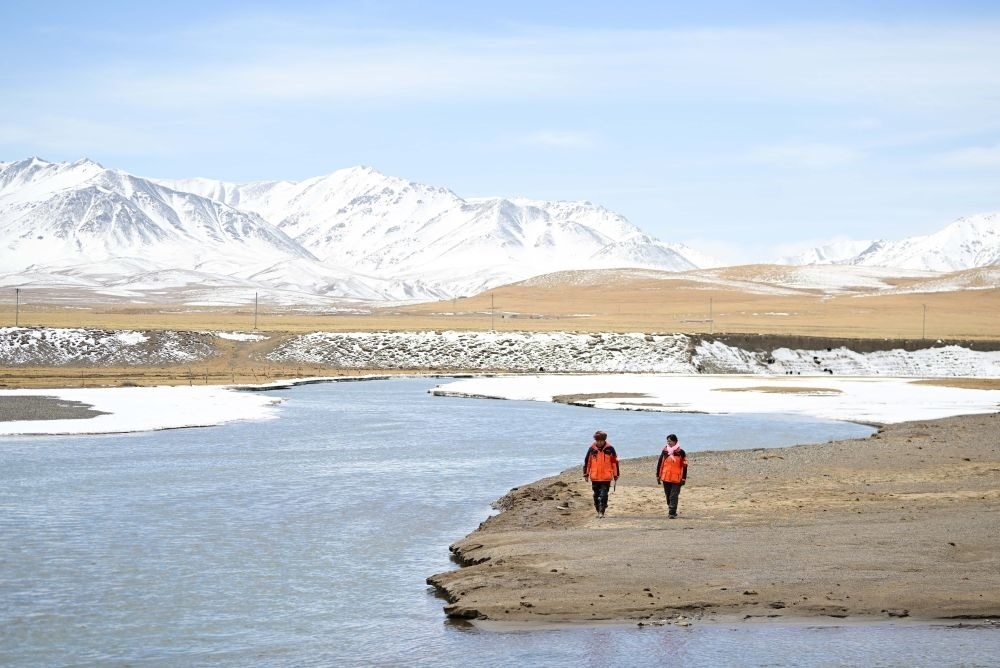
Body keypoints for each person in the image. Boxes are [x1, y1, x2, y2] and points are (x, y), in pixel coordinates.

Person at [583, 430, 619, 518]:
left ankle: (602, 511)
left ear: (604, 440)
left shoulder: (610, 449)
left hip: (606, 477)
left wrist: (616, 475)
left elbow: (614, 463)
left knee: (604, 494)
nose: (599, 442)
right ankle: (597, 509)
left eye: (601, 441)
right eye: (597, 441)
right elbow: (587, 462)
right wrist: (586, 474)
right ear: (595, 440)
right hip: (595, 477)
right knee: (596, 495)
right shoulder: (591, 449)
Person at [655, 434, 687, 519]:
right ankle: (672, 508)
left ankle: (672, 512)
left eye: (670, 441)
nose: (668, 442)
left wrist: (683, 478)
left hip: (677, 478)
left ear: (675, 441)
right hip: (666, 477)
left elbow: (684, 466)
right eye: (667, 441)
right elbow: (660, 464)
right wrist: (658, 476)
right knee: (668, 495)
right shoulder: (665, 451)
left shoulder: (681, 452)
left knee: (674, 495)